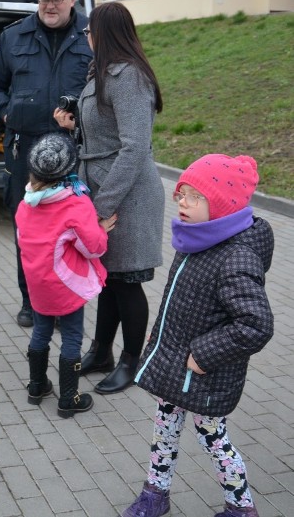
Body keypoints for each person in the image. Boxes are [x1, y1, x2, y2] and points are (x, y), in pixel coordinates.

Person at [122, 154, 273, 517]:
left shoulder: (235, 257)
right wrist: (157, 339)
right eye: (181, 194)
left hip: (203, 374)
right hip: (176, 365)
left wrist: (203, 355)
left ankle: (241, 507)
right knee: (164, 428)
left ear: (220, 205)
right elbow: (177, 301)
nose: (183, 203)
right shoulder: (197, 241)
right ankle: (155, 493)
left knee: (213, 438)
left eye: (195, 197)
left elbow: (256, 325)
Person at [54, 1, 165, 394]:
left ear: (105, 33)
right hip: (101, 189)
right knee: (107, 279)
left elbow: (134, 148)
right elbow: (102, 138)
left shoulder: (129, 77)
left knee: (127, 281)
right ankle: (101, 351)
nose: (85, 36)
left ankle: (131, 362)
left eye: (89, 31)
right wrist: (72, 127)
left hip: (128, 197)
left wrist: (100, 209)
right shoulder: (101, 74)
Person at [0, 0, 92, 328]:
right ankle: (32, 300)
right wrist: (6, 111)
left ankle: (69, 296)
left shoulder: (91, 35)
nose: (50, 6)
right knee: (30, 231)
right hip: (24, 149)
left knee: (72, 227)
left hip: (75, 149)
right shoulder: (14, 37)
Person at [15, 133, 114, 418]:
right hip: (65, 286)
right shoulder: (75, 204)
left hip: (37, 283)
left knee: (40, 332)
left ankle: (36, 387)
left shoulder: (26, 204)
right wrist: (102, 229)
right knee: (72, 337)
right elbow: (93, 248)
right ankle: (68, 399)